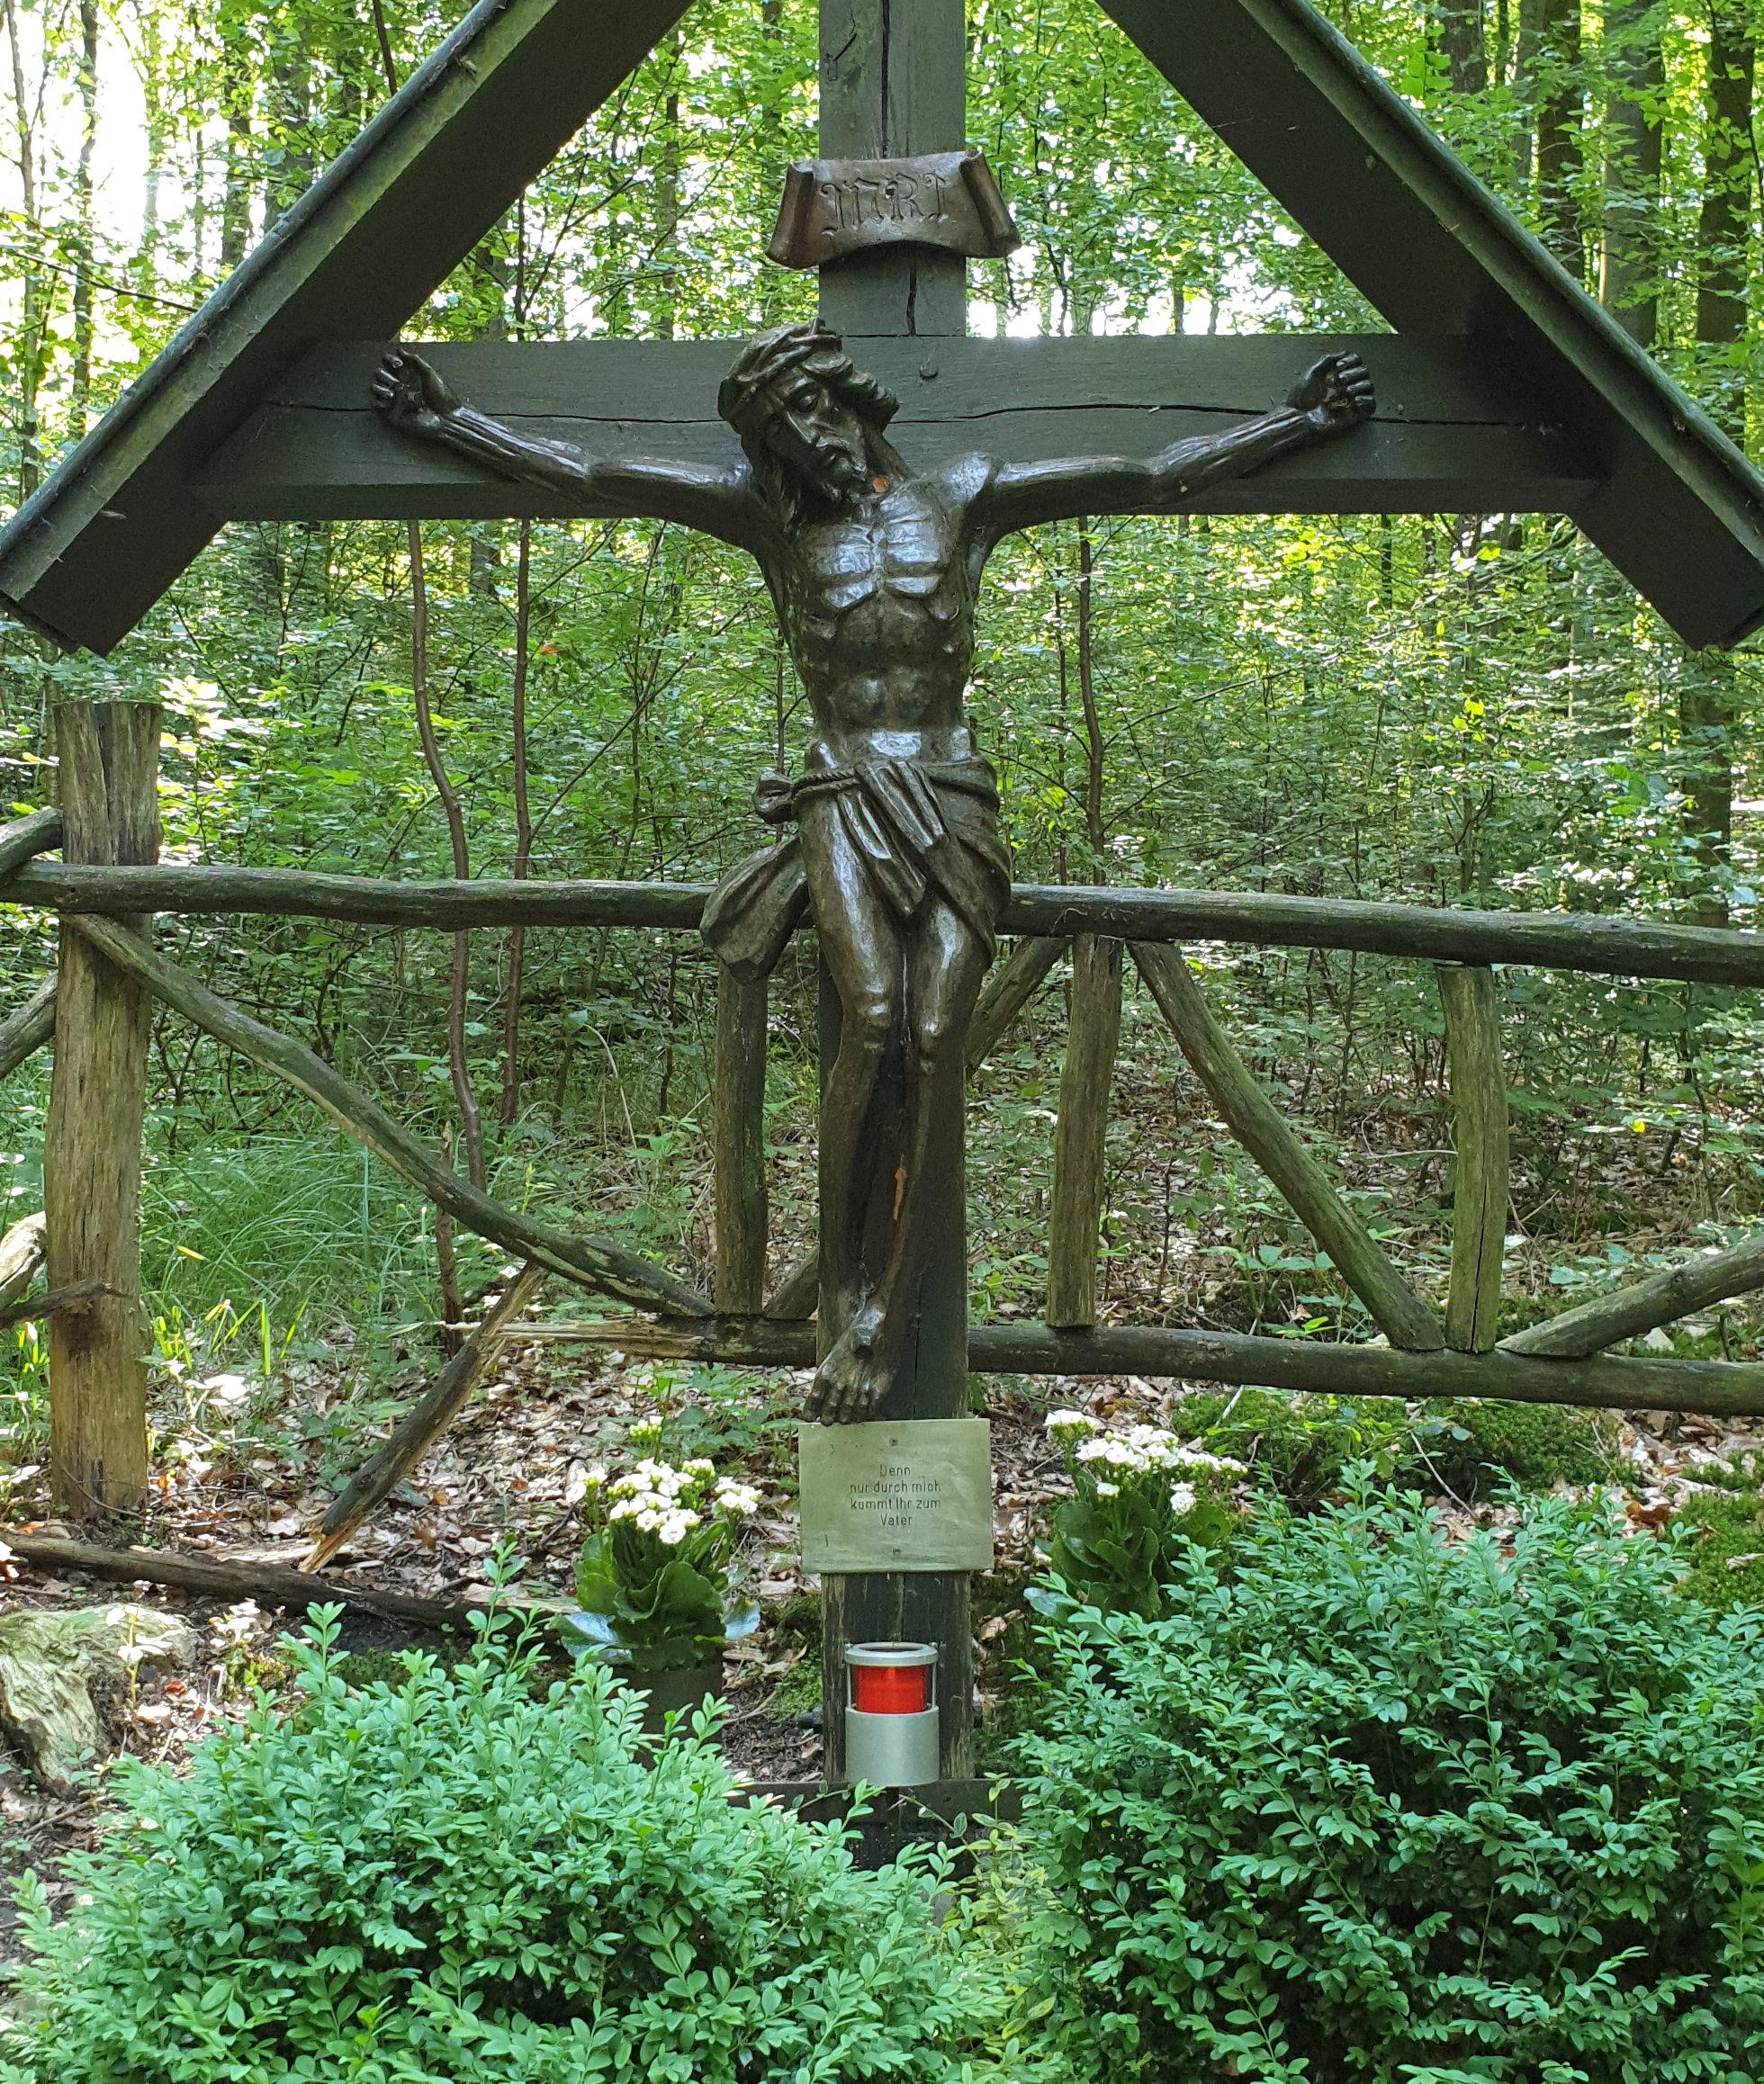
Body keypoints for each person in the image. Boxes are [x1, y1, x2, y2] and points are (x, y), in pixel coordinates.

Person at [375, 324, 1374, 1416]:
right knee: (874, 1010)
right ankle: (844, 1301)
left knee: (939, 1038)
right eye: (780, 433)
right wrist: (447, 423)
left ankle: (884, 1309)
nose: (807, 444)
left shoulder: (963, 497)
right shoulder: (772, 520)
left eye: (812, 412)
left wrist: (1299, 424)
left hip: (951, 795)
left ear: (851, 398)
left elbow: (1141, 474)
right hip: (843, 798)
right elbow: (599, 476)